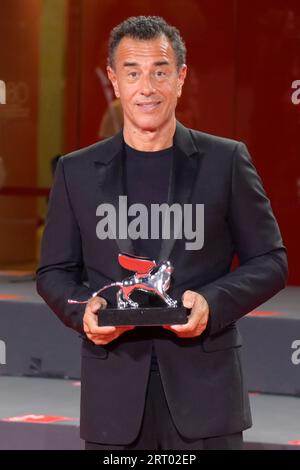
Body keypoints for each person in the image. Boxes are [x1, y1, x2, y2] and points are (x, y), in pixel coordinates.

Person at [36, 16, 288, 450]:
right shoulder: (76, 172)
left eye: (160, 71)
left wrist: (212, 302)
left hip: (207, 397)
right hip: (113, 401)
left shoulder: (225, 161)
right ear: (115, 81)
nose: (146, 87)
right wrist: (84, 311)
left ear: (181, 78)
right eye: (132, 72)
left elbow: (271, 260)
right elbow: (54, 271)